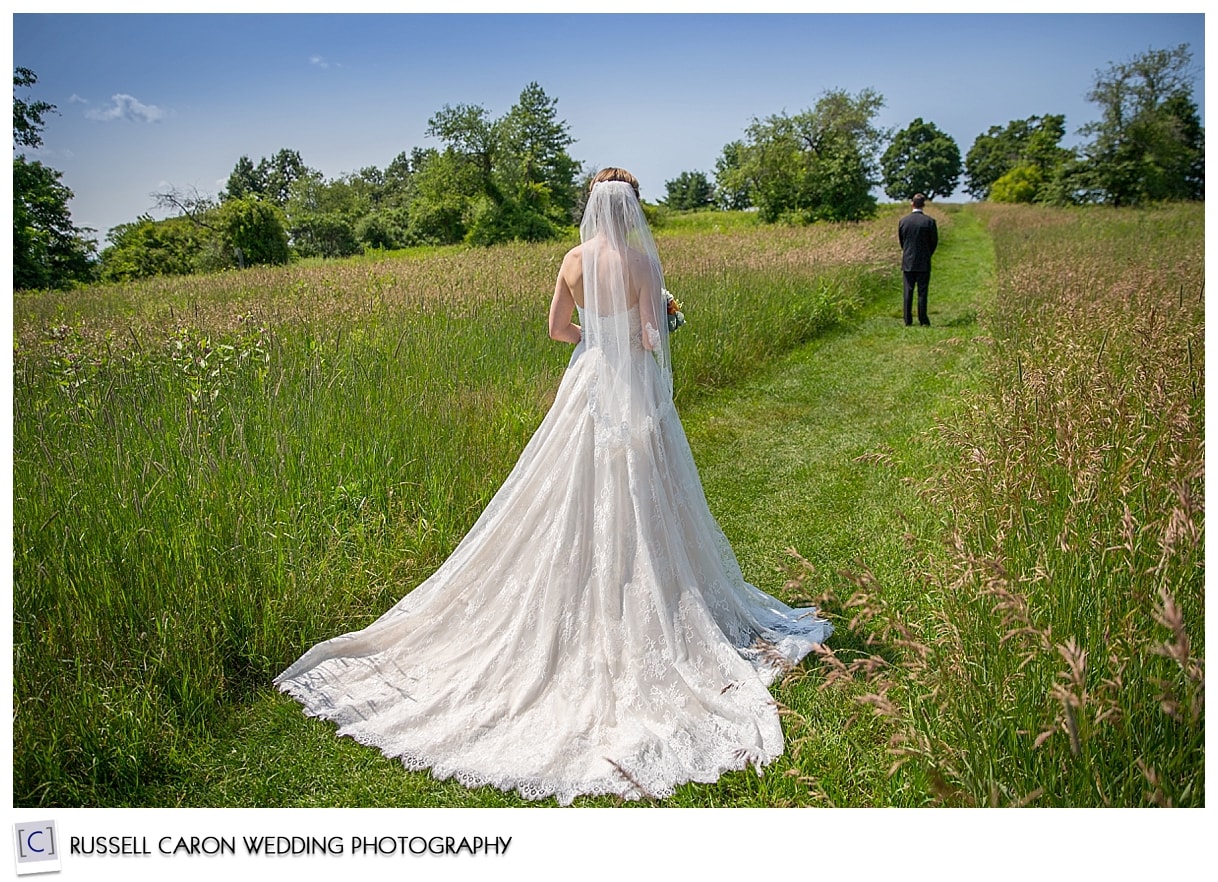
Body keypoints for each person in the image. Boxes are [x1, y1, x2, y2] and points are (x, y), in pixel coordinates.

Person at [274, 167, 832, 805]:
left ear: (592, 208)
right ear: (633, 211)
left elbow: (557, 331)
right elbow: (652, 337)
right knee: (645, 489)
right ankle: (645, 580)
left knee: (569, 486)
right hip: (633, 387)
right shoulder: (646, 264)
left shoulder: (572, 259)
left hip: (588, 381)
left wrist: (600, 335)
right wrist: (667, 318)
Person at [898, 193, 938, 326]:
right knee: (922, 291)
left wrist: (907, 252)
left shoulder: (903, 221)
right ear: (924, 205)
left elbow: (902, 241)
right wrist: (927, 254)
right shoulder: (929, 222)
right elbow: (934, 242)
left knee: (908, 291)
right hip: (924, 261)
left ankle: (907, 319)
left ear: (912, 204)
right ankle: (923, 319)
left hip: (908, 260)